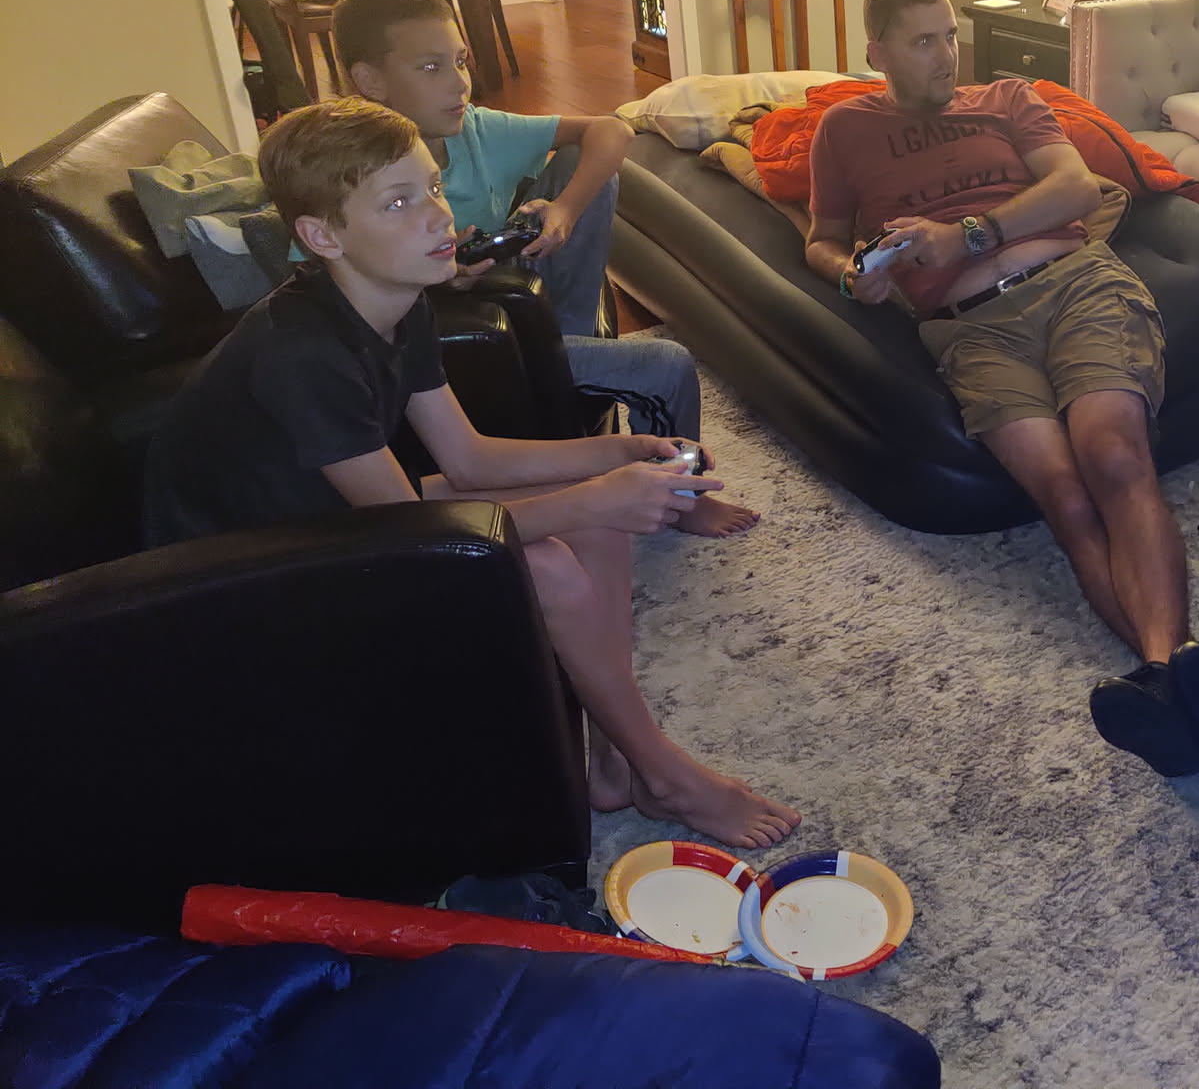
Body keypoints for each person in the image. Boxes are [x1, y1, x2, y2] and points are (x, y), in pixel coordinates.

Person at [141, 100, 800, 849]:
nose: (437, 214)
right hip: (244, 582)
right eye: (397, 203)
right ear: (323, 236)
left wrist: (613, 457)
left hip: (330, 515)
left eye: (430, 186)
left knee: (599, 520)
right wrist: (596, 495)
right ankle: (666, 774)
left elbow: (469, 458)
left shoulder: (400, 300)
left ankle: (617, 759)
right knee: (550, 567)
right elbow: (408, 529)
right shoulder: (302, 353)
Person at [804, 0, 1199, 778]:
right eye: (923, 42)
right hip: (971, 330)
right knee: (1064, 496)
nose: (946, 54)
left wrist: (968, 235)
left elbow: (1074, 185)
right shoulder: (844, 129)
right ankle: (1184, 688)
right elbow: (821, 237)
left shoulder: (1008, 98)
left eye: (949, 35)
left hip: (1074, 283)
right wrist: (851, 275)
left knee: (1114, 457)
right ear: (877, 52)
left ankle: (1168, 678)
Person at [332, 0, 756, 537]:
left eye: (460, 61)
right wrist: (440, 281)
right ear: (369, 80)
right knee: (669, 365)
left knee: (583, 168)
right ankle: (681, 498)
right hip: (459, 350)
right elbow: (338, 300)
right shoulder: (346, 177)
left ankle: (572, 334)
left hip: (512, 306)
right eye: (430, 67)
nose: (459, 83)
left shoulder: (475, 131)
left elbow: (610, 131)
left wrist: (564, 212)